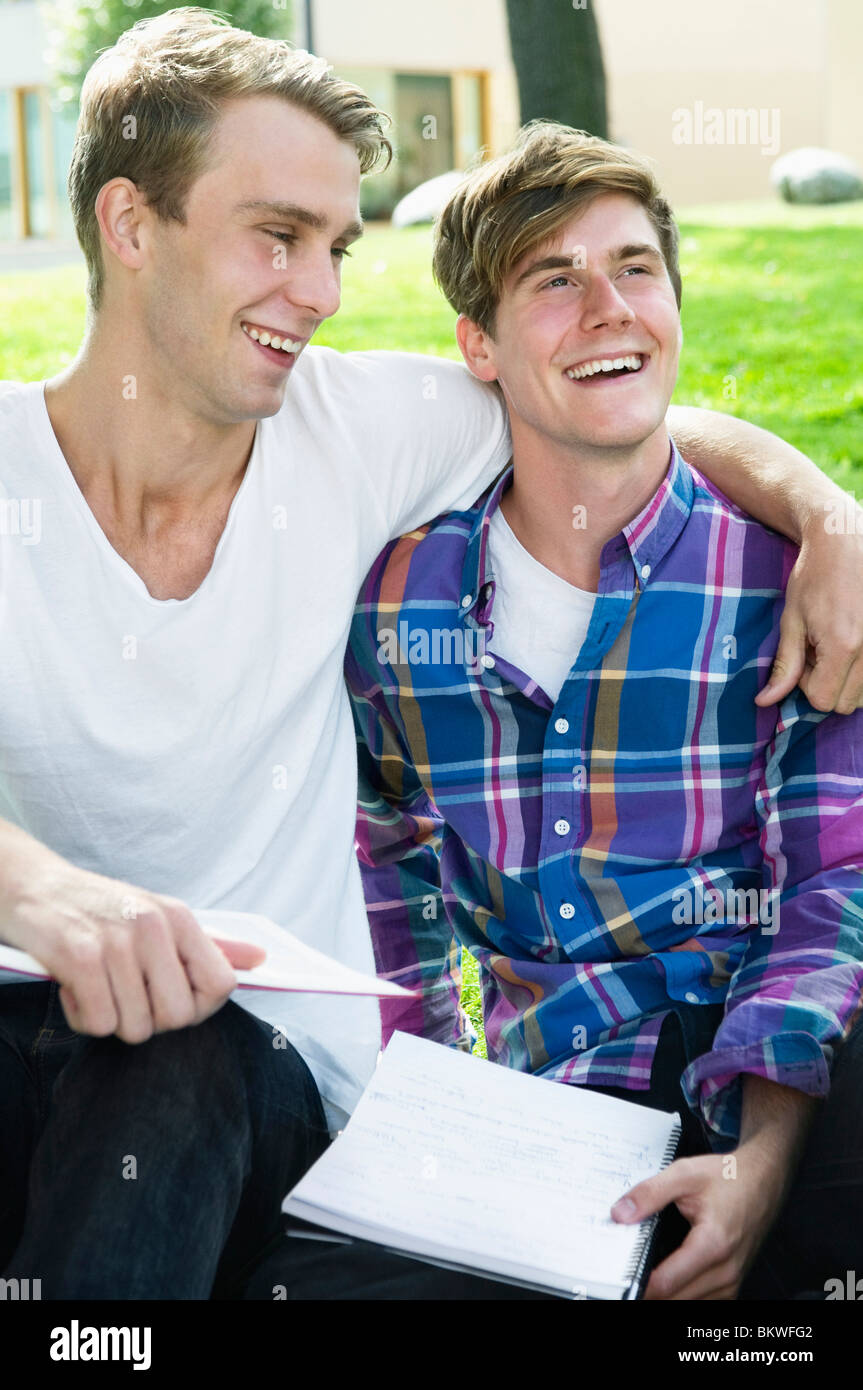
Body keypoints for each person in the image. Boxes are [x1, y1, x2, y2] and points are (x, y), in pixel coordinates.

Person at [0, 8, 860, 1300]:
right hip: (42, 1033)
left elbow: (612, 401)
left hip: (245, 1074)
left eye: (336, 246)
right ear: (130, 224)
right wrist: (38, 890)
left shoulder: (353, 429)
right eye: (278, 236)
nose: (323, 293)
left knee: (173, 1065)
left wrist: (827, 515)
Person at [346, 121, 863, 1300]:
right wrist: (422, 1117)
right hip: (552, 1119)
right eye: (554, 279)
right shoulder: (400, 611)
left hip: (789, 1085)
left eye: (634, 268)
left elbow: (829, 884)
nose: (608, 309)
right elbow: (385, 870)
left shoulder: (792, 583)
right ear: (476, 344)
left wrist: (757, 1163)